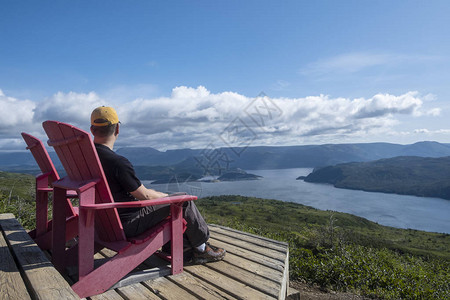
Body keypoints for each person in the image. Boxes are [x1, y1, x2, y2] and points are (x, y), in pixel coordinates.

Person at [90, 106, 225, 263]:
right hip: (126, 225)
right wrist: (166, 197)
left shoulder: (86, 159)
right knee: (184, 201)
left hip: (100, 223)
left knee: (169, 200)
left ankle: (181, 247)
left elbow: (140, 192)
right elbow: (145, 196)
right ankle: (202, 248)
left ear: (92, 130)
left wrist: (157, 195)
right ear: (117, 129)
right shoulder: (117, 162)